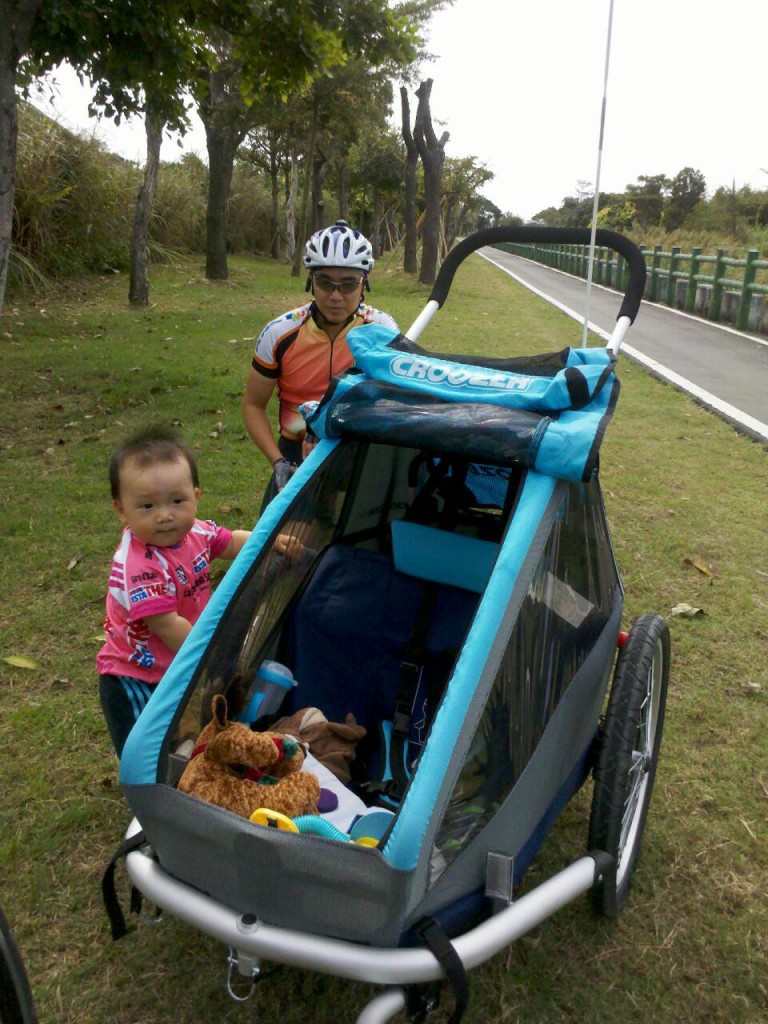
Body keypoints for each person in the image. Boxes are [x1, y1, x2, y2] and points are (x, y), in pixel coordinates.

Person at [96, 424, 250, 756]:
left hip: (175, 663)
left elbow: (231, 542)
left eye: (177, 501)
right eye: (147, 506)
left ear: (195, 496)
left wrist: (271, 540)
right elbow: (169, 626)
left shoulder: (196, 532)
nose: (165, 516)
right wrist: (217, 655)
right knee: (147, 753)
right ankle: (151, 786)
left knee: (179, 734)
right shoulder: (139, 565)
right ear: (121, 509)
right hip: (137, 677)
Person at [241, 220, 398, 508]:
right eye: (325, 282)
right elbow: (253, 405)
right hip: (294, 455)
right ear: (311, 281)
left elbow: (393, 400)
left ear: (364, 283)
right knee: (278, 537)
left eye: (348, 283)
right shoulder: (280, 333)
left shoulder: (381, 330)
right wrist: (278, 462)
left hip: (357, 449)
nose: (335, 296)